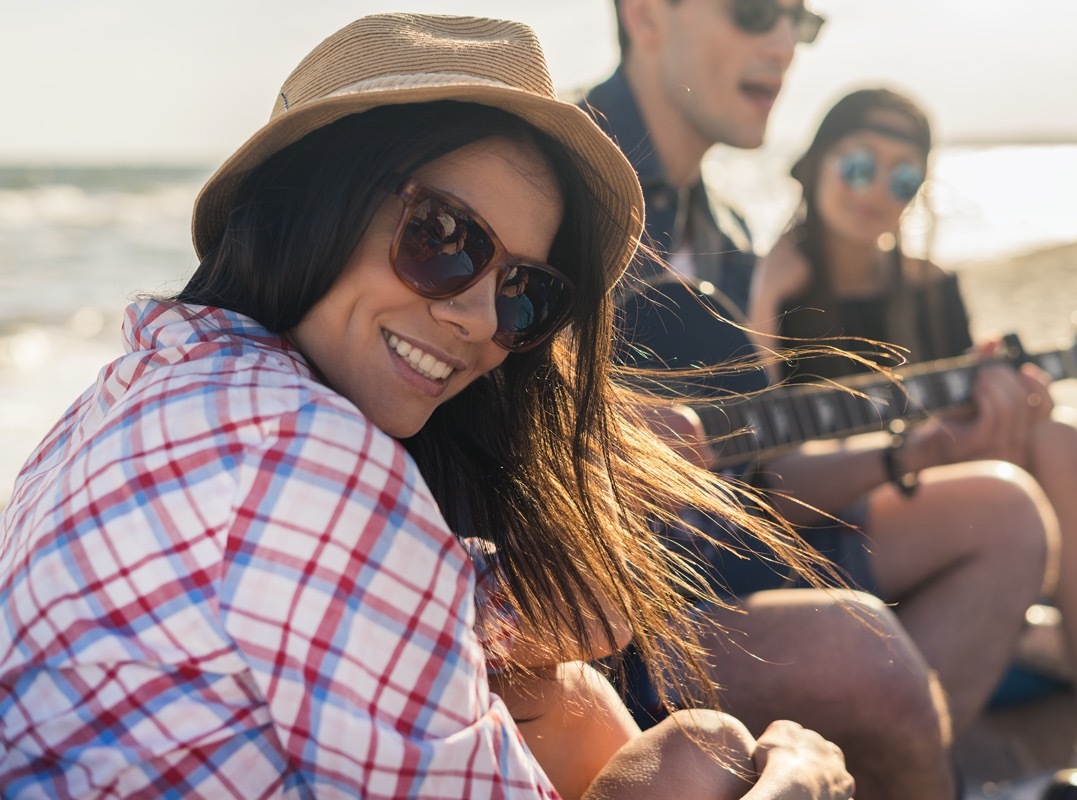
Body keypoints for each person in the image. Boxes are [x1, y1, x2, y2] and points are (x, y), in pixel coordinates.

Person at [0, 14, 856, 799]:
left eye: (525, 291)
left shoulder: (132, 390)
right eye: (444, 237)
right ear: (317, 195)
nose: (483, 321)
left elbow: (590, 618)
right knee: (705, 753)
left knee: (564, 703)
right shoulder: (314, 457)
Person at [582, 2, 1053, 798]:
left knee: (1008, 516)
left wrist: (914, 449)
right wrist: (591, 443)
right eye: (756, 11)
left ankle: (899, 765)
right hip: (609, 623)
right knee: (859, 645)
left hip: (728, 564)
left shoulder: (725, 226)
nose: (781, 44)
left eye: (797, 23)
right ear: (648, 13)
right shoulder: (560, 180)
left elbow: (764, 481)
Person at [747, 86, 1077, 761]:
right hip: (828, 521)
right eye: (859, 165)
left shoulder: (931, 288)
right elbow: (753, 447)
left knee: (1058, 434)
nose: (877, 192)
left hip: (930, 494)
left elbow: (958, 428)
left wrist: (1003, 411)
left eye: (903, 178)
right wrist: (763, 299)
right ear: (811, 165)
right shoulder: (772, 286)